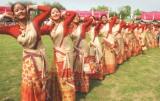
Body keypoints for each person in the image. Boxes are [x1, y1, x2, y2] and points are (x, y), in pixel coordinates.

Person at [0, 2, 51, 101]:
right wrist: (3, 16)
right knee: (30, 84)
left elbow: (48, 10)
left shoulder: (35, 22)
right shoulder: (12, 29)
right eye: (17, 10)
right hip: (28, 61)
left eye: (22, 9)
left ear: (26, 10)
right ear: (14, 14)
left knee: (41, 83)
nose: (20, 11)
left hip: (39, 59)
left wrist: (32, 7)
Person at [41, 7, 76, 101]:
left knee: (66, 76)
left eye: (57, 12)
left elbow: (73, 13)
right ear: (50, 16)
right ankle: (58, 96)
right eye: (53, 13)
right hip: (57, 54)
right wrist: (48, 23)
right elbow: (39, 31)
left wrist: (65, 13)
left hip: (67, 54)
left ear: (60, 14)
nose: (55, 14)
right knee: (58, 75)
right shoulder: (50, 28)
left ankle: (68, 98)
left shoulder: (65, 23)